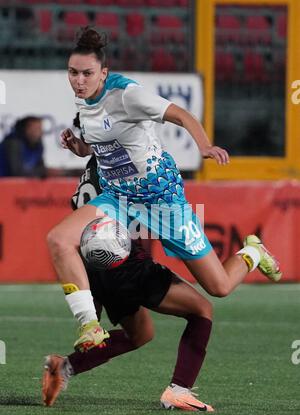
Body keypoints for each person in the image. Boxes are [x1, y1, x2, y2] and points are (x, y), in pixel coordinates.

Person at [47, 27, 282, 353]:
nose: (79, 80)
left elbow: (182, 115)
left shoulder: (128, 95)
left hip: (162, 200)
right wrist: (78, 147)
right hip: (117, 197)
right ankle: (90, 326)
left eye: (87, 73)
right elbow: (98, 145)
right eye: (73, 73)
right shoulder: (84, 103)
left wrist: (205, 146)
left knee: (219, 287)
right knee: (58, 239)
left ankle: (253, 252)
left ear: (104, 72)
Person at [43, 155, 215, 412]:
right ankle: (179, 391)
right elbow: (143, 210)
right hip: (123, 259)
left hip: (90, 260)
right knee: (202, 309)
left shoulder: (92, 168)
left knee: (141, 334)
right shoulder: (121, 163)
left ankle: (65, 366)